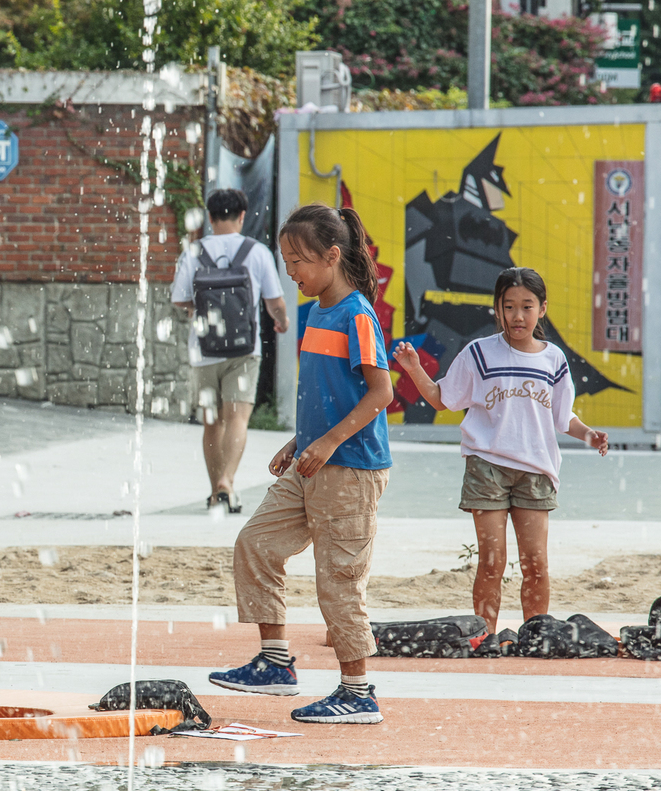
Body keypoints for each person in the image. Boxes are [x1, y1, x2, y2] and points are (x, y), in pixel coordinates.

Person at [208, 203, 394, 725]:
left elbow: (380, 392)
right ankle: (274, 664)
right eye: (286, 259)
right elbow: (331, 392)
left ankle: (358, 693)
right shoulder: (315, 314)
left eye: (299, 260)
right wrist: (300, 440)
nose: (291, 270)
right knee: (256, 542)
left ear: (333, 256)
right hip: (312, 460)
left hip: (352, 467)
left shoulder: (357, 313)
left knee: (338, 580)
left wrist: (329, 442)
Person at [392, 267, 609, 633]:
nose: (517, 315)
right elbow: (442, 399)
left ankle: (536, 637)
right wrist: (413, 369)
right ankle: (484, 638)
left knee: (535, 564)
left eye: (527, 306)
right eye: (509, 306)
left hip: (537, 470)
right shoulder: (479, 353)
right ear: (497, 308)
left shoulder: (553, 359)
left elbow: (563, 416)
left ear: (542, 308)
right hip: (487, 467)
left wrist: (589, 435)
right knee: (492, 562)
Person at [171, 188, 289, 512]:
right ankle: (228, 482)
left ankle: (215, 494)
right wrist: (282, 321)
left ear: (210, 218)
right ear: (241, 216)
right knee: (237, 419)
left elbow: (180, 299)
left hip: (203, 351)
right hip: (244, 350)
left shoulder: (193, 252)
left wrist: (203, 310)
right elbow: (274, 301)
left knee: (212, 423)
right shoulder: (257, 252)